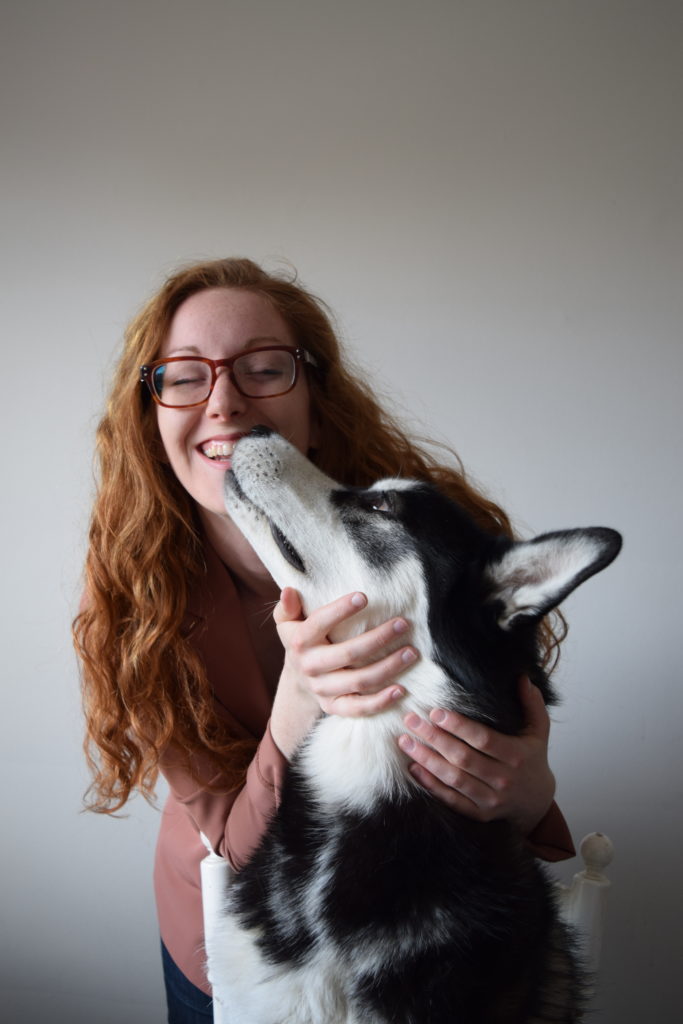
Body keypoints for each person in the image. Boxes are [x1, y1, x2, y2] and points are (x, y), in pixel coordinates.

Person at [73, 257, 575, 1022]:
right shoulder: (133, 599)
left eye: (263, 368)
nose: (225, 401)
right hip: (232, 941)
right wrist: (297, 700)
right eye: (183, 375)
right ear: (150, 408)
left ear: (314, 391)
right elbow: (230, 849)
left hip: (427, 949)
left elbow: (503, 742)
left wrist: (533, 797)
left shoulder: (430, 540)